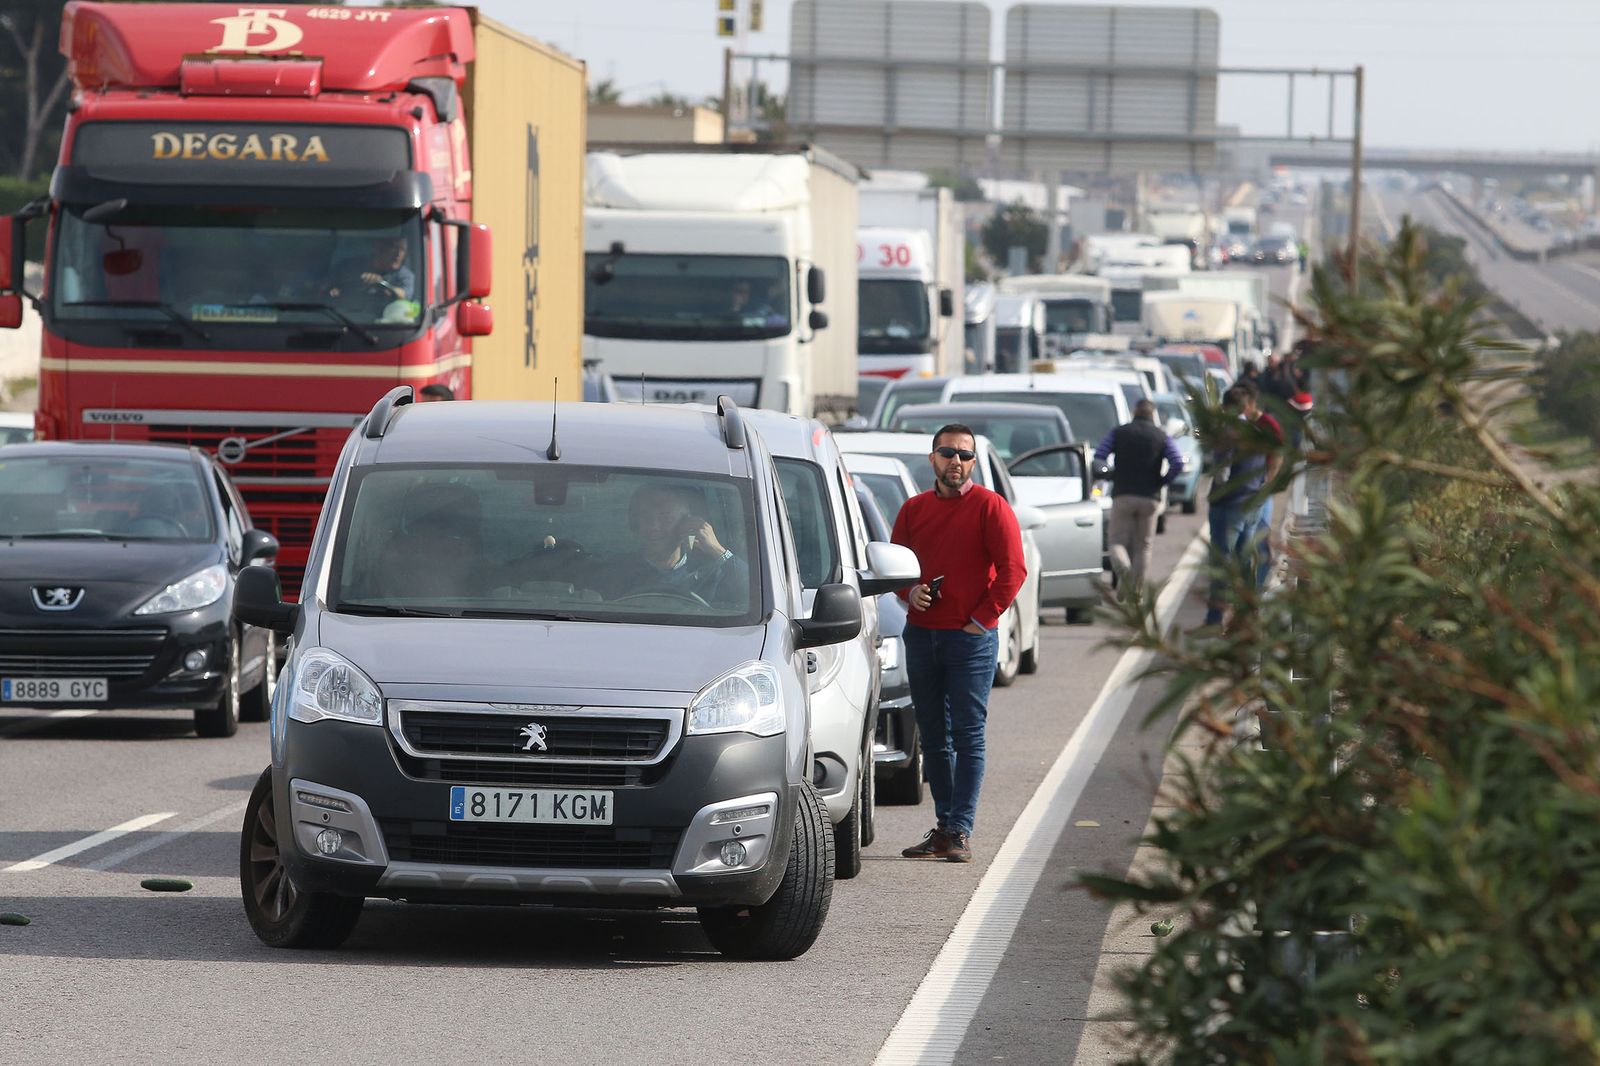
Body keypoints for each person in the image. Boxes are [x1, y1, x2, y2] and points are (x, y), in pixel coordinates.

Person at [891, 424, 1027, 864]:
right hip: (922, 635)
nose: (957, 462)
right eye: (948, 453)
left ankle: (960, 830)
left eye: (965, 455)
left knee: (967, 736)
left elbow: (1013, 571)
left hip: (970, 641)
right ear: (932, 458)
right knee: (933, 737)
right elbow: (897, 568)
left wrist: (980, 620)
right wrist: (910, 592)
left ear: (974, 462)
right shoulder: (913, 510)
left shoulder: (991, 507)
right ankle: (945, 827)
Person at [1201, 385, 1283, 628]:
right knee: (1246, 560)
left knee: (1222, 564)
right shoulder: (1257, 432)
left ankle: (1215, 619)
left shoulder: (1227, 434)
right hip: (1252, 504)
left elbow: (1223, 474)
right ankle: (1247, 614)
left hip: (1229, 506)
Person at [1094, 399, 1186, 596]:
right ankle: (1136, 591)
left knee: (1116, 542)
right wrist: (1163, 480)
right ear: (1152, 415)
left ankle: (1125, 573)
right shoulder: (1161, 436)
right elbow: (1177, 462)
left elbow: (1100, 456)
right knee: (1143, 546)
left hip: (1123, 493)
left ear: (1134, 412)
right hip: (1150, 497)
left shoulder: (1119, 433)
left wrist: (1110, 475)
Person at [600, 483, 748, 607]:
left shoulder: (710, 574)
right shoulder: (616, 571)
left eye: (665, 517)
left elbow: (755, 592)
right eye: (645, 516)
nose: (654, 526)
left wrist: (717, 550)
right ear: (635, 524)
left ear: (687, 523)